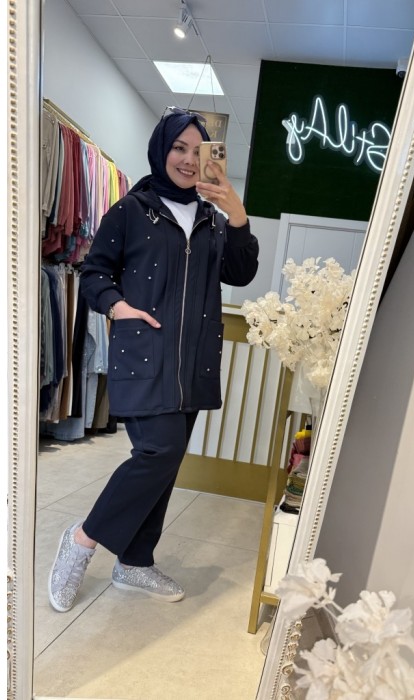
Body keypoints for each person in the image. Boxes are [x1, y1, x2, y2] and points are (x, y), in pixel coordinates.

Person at [48, 108, 259, 612]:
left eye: (197, 150)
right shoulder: (131, 209)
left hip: (193, 362)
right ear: (161, 150)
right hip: (144, 353)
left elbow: (241, 272)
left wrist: (236, 212)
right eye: (178, 147)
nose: (187, 159)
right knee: (158, 453)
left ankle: (135, 561)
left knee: (167, 463)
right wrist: (119, 308)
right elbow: (95, 273)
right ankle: (81, 539)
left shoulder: (212, 218)